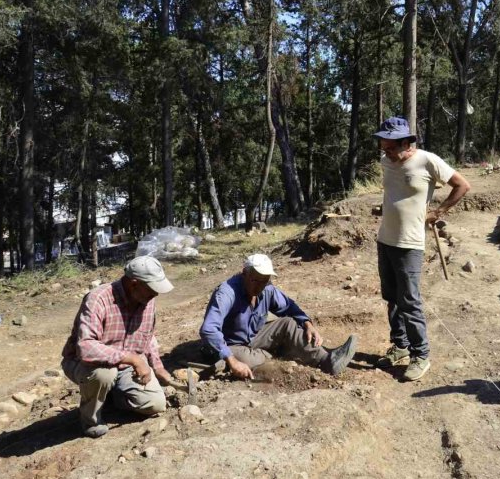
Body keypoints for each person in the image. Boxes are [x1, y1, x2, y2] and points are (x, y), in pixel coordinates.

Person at [373, 117, 471, 381]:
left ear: (407, 143)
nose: (387, 152)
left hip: (410, 244)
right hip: (385, 240)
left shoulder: (428, 161)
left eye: (391, 147)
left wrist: (438, 211)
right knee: (392, 298)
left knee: (410, 301)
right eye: (384, 147)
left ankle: (421, 355)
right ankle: (401, 346)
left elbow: (462, 185)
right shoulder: (386, 162)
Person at [61, 256, 174, 438]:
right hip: (86, 364)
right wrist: (133, 359)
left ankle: (112, 396)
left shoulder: (146, 299)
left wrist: (158, 367)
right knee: (104, 374)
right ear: (133, 284)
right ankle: (90, 420)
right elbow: (86, 347)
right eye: (152, 290)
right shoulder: (98, 299)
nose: (156, 295)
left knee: (155, 404)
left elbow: (148, 336)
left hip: (125, 367)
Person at [199, 253, 357, 378]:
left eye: (264, 281)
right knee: (248, 360)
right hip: (229, 344)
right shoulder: (227, 293)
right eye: (255, 280)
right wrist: (232, 360)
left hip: (253, 337)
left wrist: (308, 324)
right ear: (244, 273)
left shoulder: (267, 288)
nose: (259, 286)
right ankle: (260, 355)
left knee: (287, 323)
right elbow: (208, 329)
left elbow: (289, 307)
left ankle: (327, 360)